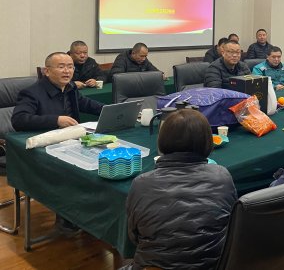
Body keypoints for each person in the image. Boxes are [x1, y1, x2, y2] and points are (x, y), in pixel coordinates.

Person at [126, 109, 237, 270]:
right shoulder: (222, 175)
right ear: (207, 142)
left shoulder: (141, 183)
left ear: (162, 140)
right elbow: (231, 226)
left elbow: (134, 236)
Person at [12, 52, 104, 131]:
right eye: (61, 67)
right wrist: (56, 120)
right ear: (47, 71)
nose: (67, 71)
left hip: (71, 136)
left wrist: (107, 110)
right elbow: (19, 119)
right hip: (46, 138)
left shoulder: (70, 87)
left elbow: (87, 104)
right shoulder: (31, 93)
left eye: (70, 67)